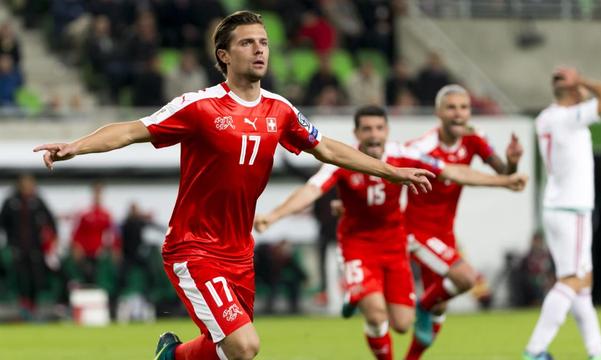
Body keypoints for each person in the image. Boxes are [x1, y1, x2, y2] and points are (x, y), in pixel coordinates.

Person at [33, 11, 433, 360]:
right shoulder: (199, 106)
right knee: (245, 345)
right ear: (224, 56)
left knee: (228, 350)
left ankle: (173, 355)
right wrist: (75, 147)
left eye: (263, 42)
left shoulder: (281, 109)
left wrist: (390, 171)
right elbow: (132, 131)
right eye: (247, 43)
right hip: (194, 246)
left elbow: (326, 147)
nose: (259, 50)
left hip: (239, 251)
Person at [254, 105, 527, 360]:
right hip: (357, 245)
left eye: (379, 129)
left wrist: (503, 181)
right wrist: (274, 216)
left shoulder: (402, 155)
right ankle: (360, 294)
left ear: (386, 131)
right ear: (356, 133)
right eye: (367, 129)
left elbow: (453, 172)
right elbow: (311, 191)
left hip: (395, 244)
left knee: (402, 324)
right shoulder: (342, 160)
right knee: (375, 314)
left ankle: (356, 293)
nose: (374, 135)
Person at [404, 84, 524, 360]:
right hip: (417, 231)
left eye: (464, 107)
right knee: (465, 278)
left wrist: (512, 162)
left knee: (439, 311)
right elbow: (395, 171)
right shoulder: (423, 147)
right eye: (451, 108)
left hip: (444, 233)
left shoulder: (474, 139)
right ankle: (420, 306)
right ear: (438, 112)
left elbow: (504, 172)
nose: (458, 114)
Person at [523, 67, 601, 360]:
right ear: (572, 90)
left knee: (583, 282)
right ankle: (534, 350)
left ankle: (598, 352)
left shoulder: (545, 117)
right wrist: (583, 82)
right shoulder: (571, 118)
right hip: (573, 208)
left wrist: (573, 88)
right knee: (571, 280)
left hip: (556, 206)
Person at [0, 174, 58, 315]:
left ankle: (33, 305)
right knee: (18, 277)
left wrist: (53, 240)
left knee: (36, 276)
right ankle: (20, 305)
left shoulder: (38, 201)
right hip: (16, 247)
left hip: (34, 247)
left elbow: (51, 222)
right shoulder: (11, 202)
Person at [70, 182, 118, 285]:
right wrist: (77, 247)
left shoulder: (106, 215)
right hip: (85, 252)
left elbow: (112, 233)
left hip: (99, 252)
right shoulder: (85, 213)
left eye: (99, 193)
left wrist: (111, 248)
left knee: (99, 274)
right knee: (85, 274)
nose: (97, 196)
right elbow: (77, 233)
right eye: (96, 193)